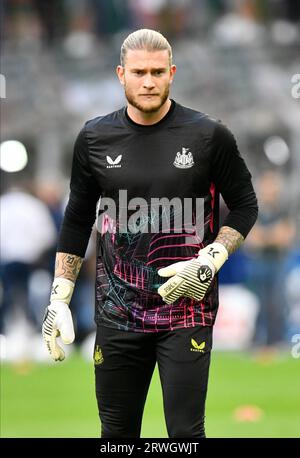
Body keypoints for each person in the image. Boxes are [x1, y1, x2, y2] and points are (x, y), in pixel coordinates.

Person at [42, 28, 258, 438]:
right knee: (117, 435)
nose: (148, 81)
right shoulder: (93, 137)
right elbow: (76, 219)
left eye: (158, 71)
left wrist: (210, 260)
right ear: (120, 74)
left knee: (185, 435)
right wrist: (60, 296)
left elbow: (246, 205)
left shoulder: (209, 135)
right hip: (117, 311)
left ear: (172, 73)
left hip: (187, 308)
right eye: (139, 72)